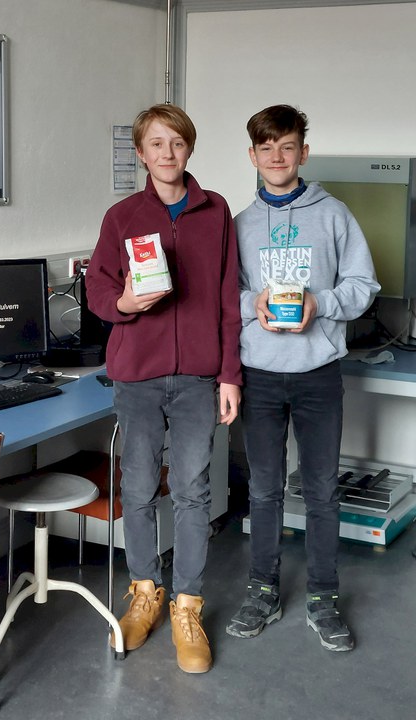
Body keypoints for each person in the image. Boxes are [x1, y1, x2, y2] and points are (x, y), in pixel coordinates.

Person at [85, 103, 241, 673]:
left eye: (176, 143)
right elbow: (99, 291)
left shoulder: (215, 211)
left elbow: (228, 301)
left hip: (200, 378)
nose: (167, 154)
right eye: (156, 144)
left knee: (195, 491)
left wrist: (229, 375)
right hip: (139, 378)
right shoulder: (121, 216)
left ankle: (187, 606)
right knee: (143, 487)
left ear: (189, 149)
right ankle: (146, 593)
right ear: (141, 153)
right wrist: (124, 303)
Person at [226, 104, 380, 651]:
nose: (276, 157)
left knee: (320, 491)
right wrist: (254, 303)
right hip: (261, 376)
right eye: (265, 148)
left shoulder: (334, 215)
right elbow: (228, 298)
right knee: (264, 491)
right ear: (252, 156)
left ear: (303, 153)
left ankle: (323, 595)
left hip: (318, 373)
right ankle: (262, 590)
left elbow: (365, 286)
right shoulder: (240, 226)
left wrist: (322, 302)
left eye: (286, 147)